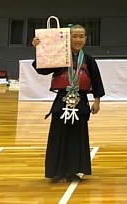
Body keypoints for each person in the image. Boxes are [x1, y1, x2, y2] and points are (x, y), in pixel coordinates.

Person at [32, 24, 104, 181]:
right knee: (59, 135)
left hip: (81, 101)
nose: (78, 39)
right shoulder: (60, 56)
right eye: (74, 36)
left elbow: (96, 81)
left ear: (85, 39)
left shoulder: (89, 59)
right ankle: (57, 171)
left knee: (77, 137)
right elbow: (41, 69)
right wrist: (38, 50)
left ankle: (74, 170)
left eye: (81, 36)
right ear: (68, 38)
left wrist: (96, 101)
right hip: (62, 100)